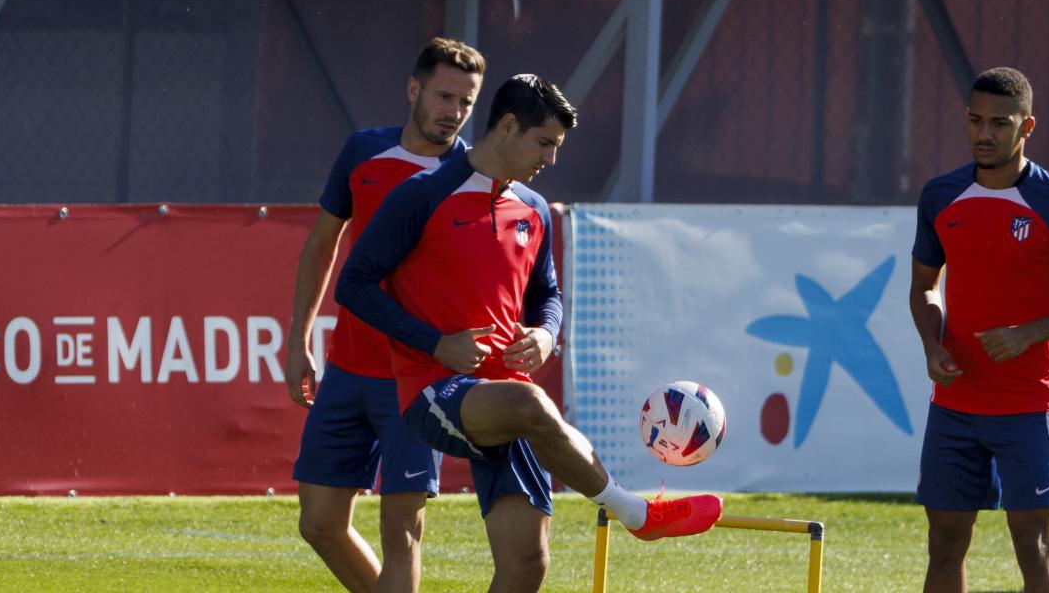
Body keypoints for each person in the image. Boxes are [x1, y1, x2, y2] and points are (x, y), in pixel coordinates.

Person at [336, 74, 723, 591]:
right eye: (545, 143)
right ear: (509, 125)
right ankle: (636, 515)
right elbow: (354, 284)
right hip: (433, 390)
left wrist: (545, 335)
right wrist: (435, 343)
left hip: (506, 399)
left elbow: (549, 299)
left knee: (526, 566)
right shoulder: (421, 195)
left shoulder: (536, 210)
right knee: (532, 406)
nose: (552, 158)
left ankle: (630, 512)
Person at [284, 37, 485, 593]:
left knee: (402, 532)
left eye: (466, 103)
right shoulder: (361, 152)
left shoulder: (473, 174)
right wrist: (298, 338)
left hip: (418, 378)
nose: (454, 112)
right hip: (348, 366)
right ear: (413, 89)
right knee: (320, 523)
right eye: (444, 96)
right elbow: (323, 244)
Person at [909, 67, 1049, 593]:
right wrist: (932, 345)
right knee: (944, 547)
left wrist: (1027, 333)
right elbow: (924, 288)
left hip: (1027, 405)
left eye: (1000, 123)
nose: (984, 133)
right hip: (953, 404)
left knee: (1035, 549)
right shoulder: (939, 195)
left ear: (1027, 127)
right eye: (976, 120)